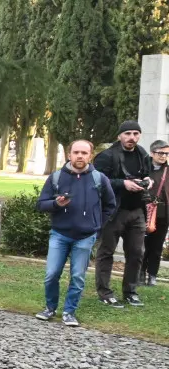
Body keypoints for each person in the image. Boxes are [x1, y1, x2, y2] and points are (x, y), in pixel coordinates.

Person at [35, 140, 116, 327]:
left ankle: (69, 312)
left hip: (85, 237)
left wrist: (97, 225)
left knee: (78, 277)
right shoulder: (56, 177)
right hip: (59, 234)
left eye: (84, 153)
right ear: (69, 154)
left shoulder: (99, 178)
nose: (80, 156)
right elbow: (40, 204)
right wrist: (56, 204)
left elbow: (110, 206)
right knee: (51, 274)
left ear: (90, 155)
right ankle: (50, 308)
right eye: (76, 152)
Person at [92, 120, 154, 307]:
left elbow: (146, 173)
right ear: (119, 136)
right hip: (114, 212)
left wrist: (147, 180)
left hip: (137, 211)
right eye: (128, 134)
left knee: (136, 253)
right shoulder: (107, 156)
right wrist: (123, 184)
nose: (132, 138)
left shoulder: (142, 153)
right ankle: (105, 292)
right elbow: (97, 182)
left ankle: (130, 291)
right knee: (106, 252)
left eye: (136, 134)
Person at [140, 140, 169, 285]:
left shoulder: (167, 170)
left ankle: (152, 275)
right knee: (142, 245)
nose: (163, 156)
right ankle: (140, 273)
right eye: (160, 153)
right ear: (152, 153)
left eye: (166, 153)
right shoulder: (143, 169)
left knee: (156, 247)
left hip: (163, 214)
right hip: (143, 212)